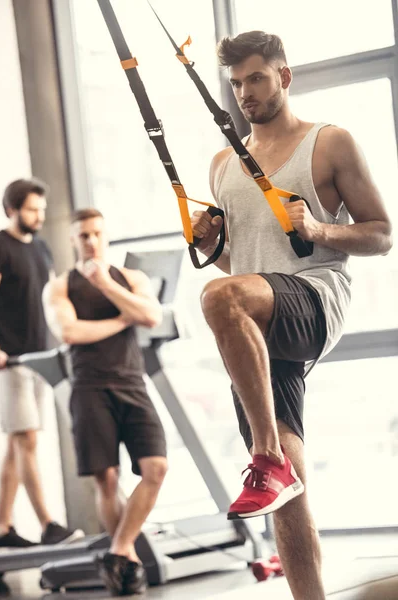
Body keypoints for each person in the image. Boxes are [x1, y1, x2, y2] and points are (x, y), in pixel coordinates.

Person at [191, 31, 393, 600]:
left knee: (218, 298)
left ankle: (263, 455)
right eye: (236, 84)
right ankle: (278, 469)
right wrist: (211, 245)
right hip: (260, 318)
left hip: (316, 295)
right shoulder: (223, 164)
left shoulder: (328, 143)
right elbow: (242, 264)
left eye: (256, 78)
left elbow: (381, 234)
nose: (245, 93)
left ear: (285, 75)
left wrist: (316, 229)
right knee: (289, 492)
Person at [42, 208, 168, 596]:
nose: (91, 241)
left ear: (106, 235)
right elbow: (69, 331)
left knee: (156, 468)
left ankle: (118, 551)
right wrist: (121, 318)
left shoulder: (131, 278)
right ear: (73, 241)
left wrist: (109, 289)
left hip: (132, 383)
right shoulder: (60, 287)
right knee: (107, 479)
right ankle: (126, 565)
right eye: (83, 236)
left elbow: (151, 316)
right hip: (89, 388)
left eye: (96, 233)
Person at [0, 178, 84, 548]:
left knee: (19, 445)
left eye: (42, 210)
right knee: (26, 440)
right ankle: (49, 524)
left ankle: (1, 528)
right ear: (12, 209)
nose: (39, 216)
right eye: (32, 210)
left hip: (40, 359)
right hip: (11, 361)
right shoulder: (0, 246)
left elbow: (49, 301)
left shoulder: (42, 249)